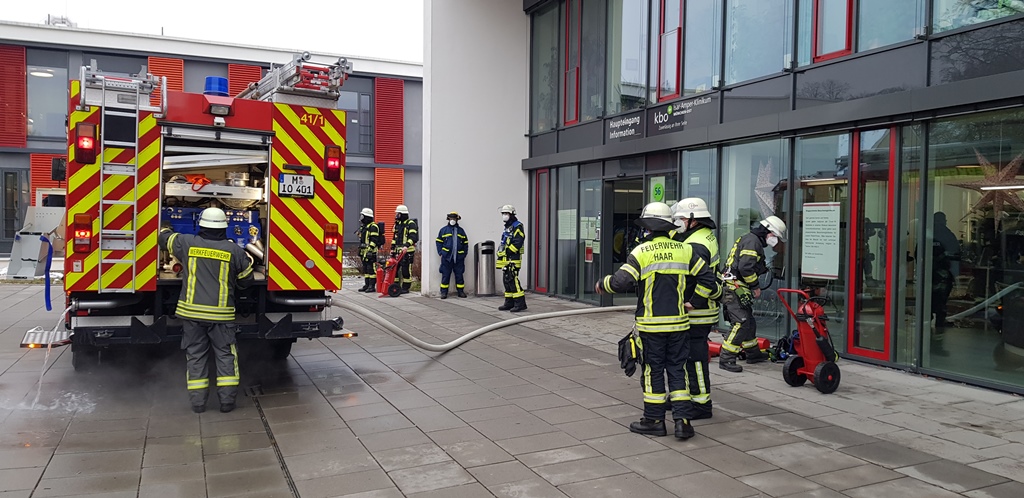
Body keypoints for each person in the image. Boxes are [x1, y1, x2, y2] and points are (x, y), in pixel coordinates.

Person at [596, 202, 713, 440]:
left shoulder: (642, 251)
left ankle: (654, 421)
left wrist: (602, 284)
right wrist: (695, 302)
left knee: (653, 371)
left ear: (647, 227)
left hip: (651, 327)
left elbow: (620, 282)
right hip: (679, 325)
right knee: (678, 370)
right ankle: (683, 422)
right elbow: (708, 280)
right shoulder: (685, 250)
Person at [159, 207, 254, 413]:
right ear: (224, 228)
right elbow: (246, 280)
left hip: (192, 314)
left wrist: (165, 227)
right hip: (221, 316)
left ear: (201, 226)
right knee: (226, 356)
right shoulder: (234, 251)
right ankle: (227, 402)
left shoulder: (186, 243)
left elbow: (163, 239)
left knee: (195, 355)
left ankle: (198, 404)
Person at [670, 198, 722, 420]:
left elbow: (704, 280)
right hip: (702, 311)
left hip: (698, 313)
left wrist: (695, 302)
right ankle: (686, 397)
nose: (678, 222)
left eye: (681, 218)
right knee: (688, 356)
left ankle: (701, 404)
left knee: (695, 358)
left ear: (693, 219)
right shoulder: (703, 235)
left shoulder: (696, 245)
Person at [719, 216, 787, 373]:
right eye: (775, 236)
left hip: (737, 286)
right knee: (741, 322)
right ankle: (726, 358)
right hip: (734, 287)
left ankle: (753, 354)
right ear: (769, 232)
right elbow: (745, 268)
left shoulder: (753, 240)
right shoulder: (752, 242)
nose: (775, 240)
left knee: (748, 321)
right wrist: (755, 286)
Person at [497, 204, 527, 312]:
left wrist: (508, 251)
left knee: (513, 280)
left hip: (513, 258)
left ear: (512, 214)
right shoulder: (507, 227)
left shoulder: (518, 226)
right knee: (507, 281)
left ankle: (520, 303)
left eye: (506, 213)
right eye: (503, 213)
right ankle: (509, 303)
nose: (504, 215)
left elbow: (518, 241)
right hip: (506, 258)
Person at [436, 211, 469, 299]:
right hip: (447, 258)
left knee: (459, 275)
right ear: (448, 219)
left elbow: (465, 243)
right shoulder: (443, 230)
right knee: (445, 275)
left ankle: (460, 291)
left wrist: (464, 254)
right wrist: (440, 252)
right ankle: (444, 292)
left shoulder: (461, 231)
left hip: (459, 258)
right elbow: (438, 242)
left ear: (457, 220)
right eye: (451, 218)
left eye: (454, 218)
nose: (452, 220)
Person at [391, 204, 418, 295]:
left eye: (398, 214)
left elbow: (413, 237)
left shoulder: (411, 224)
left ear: (402, 214)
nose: (396, 215)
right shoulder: (397, 225)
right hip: (398, 251)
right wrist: (392, 248)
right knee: (395, 269)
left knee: (405, 270)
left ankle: (406, 287)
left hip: (407, 251)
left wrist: (406, 245)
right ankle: (396, 286)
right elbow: (395, 238)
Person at [357, 208, 383, 293]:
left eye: (363, 216)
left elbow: (374, 240)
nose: (361, 218)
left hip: (371, 251)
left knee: (371, 269)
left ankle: (372, 286)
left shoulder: (373, 227)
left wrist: (370, 250)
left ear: (367, 217)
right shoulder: (364, 227)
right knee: (366, 269)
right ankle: (367, 285)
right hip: (364, 251)